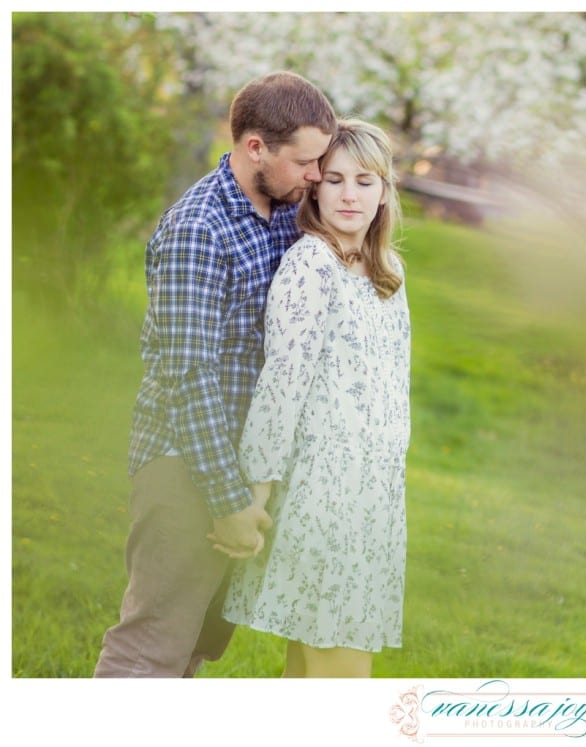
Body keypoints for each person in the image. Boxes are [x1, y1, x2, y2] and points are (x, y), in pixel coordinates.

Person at [94, 71, 337, 678]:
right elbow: (187, 376)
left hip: (243, 469)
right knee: (150, 648)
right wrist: (227, 501)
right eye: (306, 162)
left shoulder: (283, 211)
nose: (315, 176)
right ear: (255, 147)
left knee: (193, 646)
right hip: (187, 467)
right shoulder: (198, 230)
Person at [218, 118, 410, 678]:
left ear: (384, 191)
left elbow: (393, 390)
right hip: (320, 496)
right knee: (340, 671)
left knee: (311, 674)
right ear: (316, 187)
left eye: (366, 181)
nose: (350, 194)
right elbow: (281, 386)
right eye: (336, 179)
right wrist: (257, 493)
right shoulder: (311, 266)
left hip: (372, 498)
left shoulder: (388, 271)